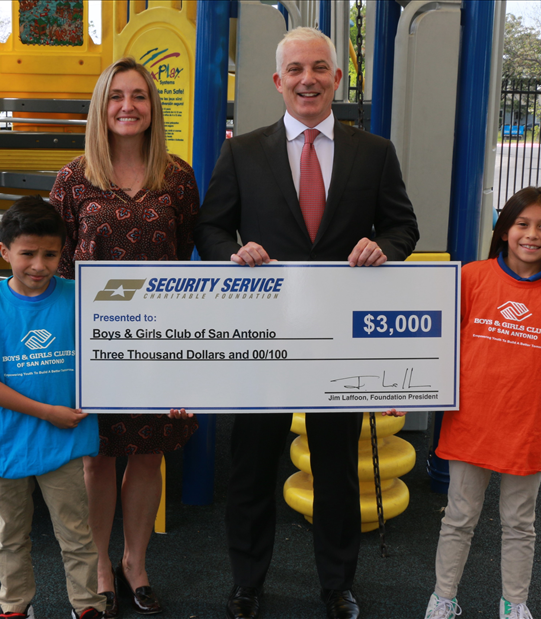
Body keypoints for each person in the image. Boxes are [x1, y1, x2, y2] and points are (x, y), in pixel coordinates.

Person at [194, 27, 419, 619]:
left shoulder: (375, 152)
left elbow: (403, 226)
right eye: (295, 69)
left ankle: (338, 586)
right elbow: (210, 228)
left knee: (337, 469)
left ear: (337, 78)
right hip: (263, 339)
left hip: (338, 342)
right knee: (251, 468)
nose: (308, 79)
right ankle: (247, 584)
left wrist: (385, 249)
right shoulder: (243, 152)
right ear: (278, 81)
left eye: (319, 68)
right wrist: (232, 253)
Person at [420, 187, 541, 619]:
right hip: (470, 423)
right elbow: (436, 345)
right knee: (459, 518)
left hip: (528, 427)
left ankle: (514, 604)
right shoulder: (471, 278)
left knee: (519, 523)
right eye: (522, 224)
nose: (532, 234)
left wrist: (536, 382)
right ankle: (443, 598)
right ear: (504, 229)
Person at [50, 57, 199, 618]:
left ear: (153, 107)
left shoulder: (177, 177)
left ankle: (135, 563)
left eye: (138, 95)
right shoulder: (73, 179)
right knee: (97, 458)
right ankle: (98, 567)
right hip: (95, 343)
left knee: (149, 454)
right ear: (101, 106)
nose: (128, 106)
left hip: (160, 340)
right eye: (116, 96)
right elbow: (58, 264)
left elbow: (187, 252)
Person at [0, 196, 106, 619]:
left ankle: (87, 605)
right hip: (8, 442)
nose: (39, 265)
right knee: (12, 535)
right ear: (4, 251)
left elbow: (119, 348)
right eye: (27, 254)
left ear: (63, 252)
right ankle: (14, 605)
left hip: (63, 444)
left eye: (50, 255)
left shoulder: (79, 296)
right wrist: (48, 412)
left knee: (76, 533)